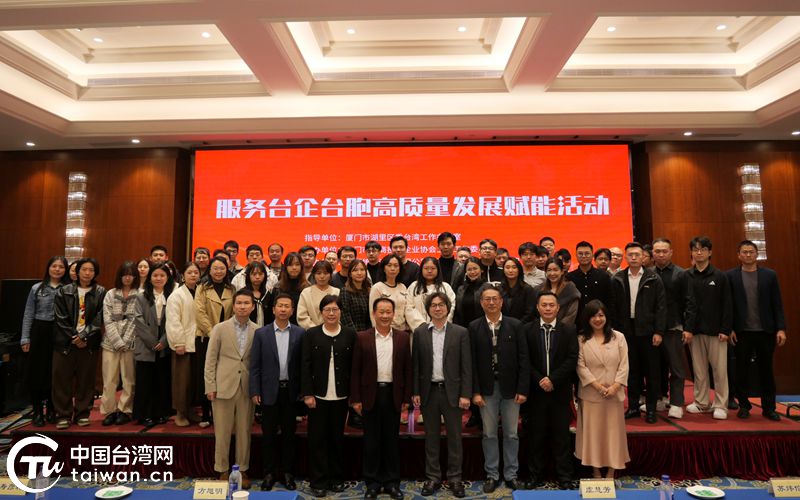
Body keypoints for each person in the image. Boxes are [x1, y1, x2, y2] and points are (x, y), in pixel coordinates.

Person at [350, 297, 412, 500]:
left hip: (393, 394)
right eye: (381, 312)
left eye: (388, 312)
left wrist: (406, 398)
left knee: (391, 440)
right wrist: (355, 399)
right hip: (370, 395)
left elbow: (408, 370)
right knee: (372, 441)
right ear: (374, 313)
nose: (385, 316)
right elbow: (355, 370)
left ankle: (392, 482)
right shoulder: (362, 337)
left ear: (394, 314)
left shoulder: (403, 337)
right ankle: (373, 483)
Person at [470, 283, 529, 492]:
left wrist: (523, 389)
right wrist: (475, 391)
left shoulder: (515, 325)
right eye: (487, 299)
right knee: (489, 434)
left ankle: (511, 474)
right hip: (487, 390)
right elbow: (471, 363)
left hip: (512, 389)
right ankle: (492, 475)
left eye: (495, 299)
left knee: (511, 434)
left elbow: (524, 359)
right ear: (481, 303)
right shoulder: (474, 327)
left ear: (502, 302)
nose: (491, 302)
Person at [412, 292, 471, 498]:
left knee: (455, 437)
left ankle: (455, 477)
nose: (437, 308)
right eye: (433, 305)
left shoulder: (460, 332)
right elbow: (416, 365)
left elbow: (466, 366)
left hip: (452, 392)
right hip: (428, 392)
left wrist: (465, 394)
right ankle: (433, 477)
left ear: (448, 307)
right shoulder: (420, 332)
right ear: (428, 309)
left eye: (441, 305)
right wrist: (416, 391)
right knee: (431, 437)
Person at [301, 295, 357, 498]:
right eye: (327, 310)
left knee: (336, 439)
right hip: (317, 397)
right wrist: (307, 394)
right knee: (317, 440)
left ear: (340, 311)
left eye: (335, 309)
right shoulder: (311, 334)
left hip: (341, 397)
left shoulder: (350, 334)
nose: (331, 313)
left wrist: (354, 395)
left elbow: (355, 367)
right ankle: (318, 481)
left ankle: (336, 479)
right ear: (321, 312)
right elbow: (305, 365)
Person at [727, 240, 787, 421]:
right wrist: (729, 328)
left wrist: (781, 328)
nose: (748, 255)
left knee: (766, 371)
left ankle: (769, 408)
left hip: (766, 331)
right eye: (744, 252)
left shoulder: (769, 275)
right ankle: (744, 406)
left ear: (756, 254)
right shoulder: (730, 276)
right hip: (741, 332)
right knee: (742, 370)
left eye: (751, 252)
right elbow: (727, 306)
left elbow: (777, 304)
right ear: (738, 255)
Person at [250, 293, 304, 491]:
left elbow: (303, 365)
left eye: (287, 306)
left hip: (290, 392)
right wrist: (255, 390)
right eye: (280, 306)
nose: (283, 309)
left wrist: (303, 391)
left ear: (292, 310)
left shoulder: (300, 333)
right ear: (273, 310)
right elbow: (255, 365)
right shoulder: (261, 333)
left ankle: (288, 473)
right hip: (268, 392)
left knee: (289, 435)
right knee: (269, 436)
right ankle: (269, 473)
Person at [526, 291, 578, 490]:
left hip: (559, 391)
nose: (548, 308)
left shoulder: (569, 330)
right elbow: (525, 359)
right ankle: (535, 475)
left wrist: (552, 379)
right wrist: (540, 379)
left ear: (558, 308)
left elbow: (572, 358)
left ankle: (564, 477)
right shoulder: (527, 330)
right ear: (537, 307)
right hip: (536, 391)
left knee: (561, 436)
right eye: (544, 305)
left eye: (551, 305)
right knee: (536, 436)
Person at [205, 288, 257, 489]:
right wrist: (210, 386)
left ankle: (242, 469)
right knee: (222, 432)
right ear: (233, 306)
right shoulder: (220, 328)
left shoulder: (258, 330)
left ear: (252, 307)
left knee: (245, 431)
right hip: (223, 387)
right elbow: (210, 360)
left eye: (246, 303)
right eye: (239, 303)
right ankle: (222, 469)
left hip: (246, 387)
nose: (242, 307)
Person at [611, 242, 666, 424]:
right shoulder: (618, 278)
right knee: (631, 371)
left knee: (651, 372)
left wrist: (659, 331)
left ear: (643, 257)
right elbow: (614, 307)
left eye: (637, 254)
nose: (634, 258)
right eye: (630, 255)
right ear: (626, 257)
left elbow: (661, 307)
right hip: (626, 332)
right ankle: (633, 406)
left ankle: (651, 409)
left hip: (649, 332)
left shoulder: (653, 278)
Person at [575, 299, 630, 479]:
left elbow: (624, 365)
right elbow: (580, 366)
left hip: (614, 395)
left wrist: (615, 386)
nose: (598, 319)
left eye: (601, 315)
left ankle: (612, 471)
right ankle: (596, 471)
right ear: (587, 318)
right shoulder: (581, 339)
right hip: (591, 394)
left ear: (606, 316)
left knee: (613, 435)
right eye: (593, 316)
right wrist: (598, 386)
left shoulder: (618, 337)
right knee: (593, 435)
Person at [52, 257, 106, 429]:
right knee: (61, 380)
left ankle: (82, 413)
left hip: (89, 343)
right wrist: (74, 337)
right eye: (84, 269)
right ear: (77, 271)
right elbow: (60, 318)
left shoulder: (101, 292)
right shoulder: (64, 291)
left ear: (95, 273)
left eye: (91, 270)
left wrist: (84, 336)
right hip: (64, 343)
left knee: (86, 380)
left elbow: (100, 318)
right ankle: (63, 415)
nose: (87, 273)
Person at [685, 236, 732, 420]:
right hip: (694, 331)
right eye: (695, 249)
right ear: (691, 253)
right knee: (699, 370)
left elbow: (727, 305)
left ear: (709, 252)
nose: (699, 252)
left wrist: (725, 330)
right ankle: (701, 402)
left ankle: (720, 405)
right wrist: (687, 329)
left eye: (703, 249)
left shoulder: (719, 276)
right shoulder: (687, 275)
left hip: (716, 332)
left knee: (719, 371)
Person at [21, 256, 69, 426]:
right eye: (54, 266)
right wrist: (25, 338)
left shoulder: (68, 289)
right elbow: (28, 313)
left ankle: (51, 408)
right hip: (39, 332)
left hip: (59, 332)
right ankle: (37, 411)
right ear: (48, 268)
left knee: (54, 372)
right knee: (37, 373)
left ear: (65, 270)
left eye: (61, 267)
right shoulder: (36, 288)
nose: (57, 269)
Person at [651, 238, 696, 419]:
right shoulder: (648, 273)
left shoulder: (681, 274)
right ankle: (660, 398)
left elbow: (690, 302)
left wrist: (688, 328)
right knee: (655, 367)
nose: (661, 254)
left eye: (664, 251)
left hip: (674, 327)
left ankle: (677, 403)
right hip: (652, 329)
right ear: (652, 253)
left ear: (671, 252)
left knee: (676, 368)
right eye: (657, 251)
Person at [194, 256, 235, 427]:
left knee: (224, 374)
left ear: (227, 270)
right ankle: (205, 414)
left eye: (222, 268)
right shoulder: (202, 288)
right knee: (206, 374)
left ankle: (222, 413)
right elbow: (199, 312)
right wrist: (213, 333)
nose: (218, 271)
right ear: (209, 271)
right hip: (205, 337)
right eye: (215, 268)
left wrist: (224, 334)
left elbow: (234, 312)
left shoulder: (231, 289)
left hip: (227, 338)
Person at [133, 262, 174, 426]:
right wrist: (152, 342)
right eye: (155, 275)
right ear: (150, 278)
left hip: (165, 343)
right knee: (144, 381)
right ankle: (144, 414)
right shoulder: (141, 296)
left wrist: (164, 341)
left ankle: (161, 412)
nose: (158, 278)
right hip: (146, 344)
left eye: (162, 275)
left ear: (167, 278)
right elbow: (138, 320)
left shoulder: (172, 296)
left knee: (162, 381)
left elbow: (174, 321)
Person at [100, 261, 140, 426]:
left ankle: (125, 410)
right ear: (120, 276)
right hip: (110, 343)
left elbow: (136, 320)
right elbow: (107, 319)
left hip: (130, 343)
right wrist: (117, 341)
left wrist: (125, 341)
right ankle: (109, 411)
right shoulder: (110, 294)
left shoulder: (140, 294)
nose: (128, 278)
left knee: (129, 379)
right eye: (125, 274)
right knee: (109, 379)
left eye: (131, 274)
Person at [166, 261, 202, 427]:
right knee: (182, 381)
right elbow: (173, 321)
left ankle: (190, 410)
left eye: (196, 272)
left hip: (198, 342)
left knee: (194, 381)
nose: (193, 275)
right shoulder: (177, 295)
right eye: (190, 272)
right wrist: (178, 342)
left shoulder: (201, 292)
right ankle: (180, 413)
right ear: (183, 276)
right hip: (183, 344)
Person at [567, 241, 614, 322]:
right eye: (580, 254)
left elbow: (610, 301)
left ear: (592, 255)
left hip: (598, 321)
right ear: (576, 255)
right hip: (576, 321)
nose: (583, 256)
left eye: (587, 253)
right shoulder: (569, 277)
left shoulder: (603, 276)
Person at [406, 257, 456, 331]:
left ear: (438, 270)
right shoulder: (413, 287)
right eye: (426, 268)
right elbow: (409, 308)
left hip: (442, 328)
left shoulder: (446, 287)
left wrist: (441, 324)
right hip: (419, 329)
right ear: (421, 270)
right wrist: (422, 325)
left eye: (433, 268)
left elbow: (451, 306)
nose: (429, 271)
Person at [265, 252, 310, 325]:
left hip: (302, 326)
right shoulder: (278, 287)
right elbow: (271, 312)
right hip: (281, 325)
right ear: (285, 267)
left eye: (297, 264)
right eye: (290, 265)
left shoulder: (307, 287)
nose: (294, 267)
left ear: (301, 267)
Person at [534, 257, 581, 326]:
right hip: (542, 328)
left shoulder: (570, 289)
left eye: (555, 270)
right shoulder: (538, 289)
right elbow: (535, 313)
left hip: (564, 329)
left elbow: (571, 314)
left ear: (562, 271)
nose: (552, 273)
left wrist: (557, 328)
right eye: (549, 270)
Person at [368, 255, 410, 332]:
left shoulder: (403, 287)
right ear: (384, 268)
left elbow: (407, 309)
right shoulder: (377, 287)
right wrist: (377, 331)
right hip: (385, 331)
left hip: (403, 330)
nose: (393, 268)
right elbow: (372, 313)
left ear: (400, 269)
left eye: (396, 266)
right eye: (389, 265)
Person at [297, 261, 340, 330]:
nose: (322, 276)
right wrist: (317, 331)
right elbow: (302, 317)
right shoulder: (306, 292)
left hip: (334, 331)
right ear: (313, 275)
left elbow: (341, 315)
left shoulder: (337, 292)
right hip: (312, 332)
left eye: (325, 273)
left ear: (330, 275)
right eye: (318, 273)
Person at [500, 257, 537, 323]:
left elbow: (530, 312)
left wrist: (518, 325)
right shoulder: (499, 289)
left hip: (523, 325)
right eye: (507, 267)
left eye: (514, 267)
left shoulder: (528, 289)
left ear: (519, 269)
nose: (510, 270)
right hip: (503, 325)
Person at [454, 257, 486, 328]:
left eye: (475, 269)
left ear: (481, 270)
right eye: (469, 269)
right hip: (463, 327)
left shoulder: (487, 288)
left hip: (482, 327)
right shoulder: (460, 289)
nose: (472, 272)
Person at [340, 260, 372, 332]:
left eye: (362, 270)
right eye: (355, 270)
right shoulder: (345, 291)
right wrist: (356, 335)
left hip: (368, 333)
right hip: (352, 333)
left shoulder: (369, 291)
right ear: (350, 274)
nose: (359, 273)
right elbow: (345, 318)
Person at [244, 260, 270, 327]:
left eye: (260, 274)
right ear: (248, 276)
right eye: (254, 274)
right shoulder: (243, 294)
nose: (257, 277)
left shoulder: (268, 294)